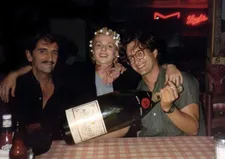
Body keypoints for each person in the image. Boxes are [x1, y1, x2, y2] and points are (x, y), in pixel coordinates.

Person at [0, 27, 182, 104]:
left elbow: (150, 67)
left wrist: (170, 66)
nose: (104, 50)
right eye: (99, 45)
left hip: (124, 141)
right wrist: (15, 74)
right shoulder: (77, 71)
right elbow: (47, 66)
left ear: (116, 52)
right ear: (92, 50)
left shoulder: (129, 75)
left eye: (109, 46)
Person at [120, 30, 201, 136]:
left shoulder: (179, 80)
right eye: (131, 57)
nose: (136, 60)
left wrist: (169, 107)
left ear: (154, 52)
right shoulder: (138, 91)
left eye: (140, 53)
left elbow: (193, 129)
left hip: (178, 149)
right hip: (148, 148)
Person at [6, 33, 68, 141]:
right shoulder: (15, 88)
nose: (50, 58)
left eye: (54, 52)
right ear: (29, 55)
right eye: (42, 51)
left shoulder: (65, 85)